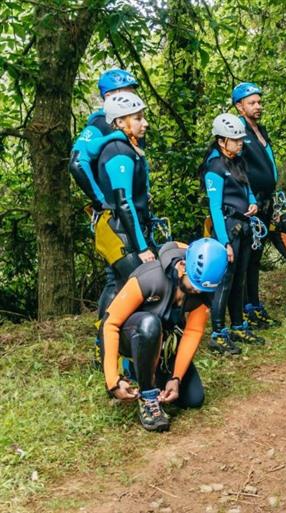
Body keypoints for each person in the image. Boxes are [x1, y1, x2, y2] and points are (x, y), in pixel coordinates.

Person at [99, 239, 228, 432]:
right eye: (194, 284)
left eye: (203, 288)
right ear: (183, 267)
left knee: (194, 398)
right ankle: (148, 396)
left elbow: (192, 332)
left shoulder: (202, 293)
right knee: (150, 324)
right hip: (133, 335)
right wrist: (112, 379)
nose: (197, 291)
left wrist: (175, 378)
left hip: (164, 344)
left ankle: (145, 373)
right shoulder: (151, 277)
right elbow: (110, 323)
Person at [69, 68, 141, 318]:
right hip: (115, 214)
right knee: (119, 277)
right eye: (128, 91)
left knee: (119, 278)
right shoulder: (100, 122)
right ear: (110, 95)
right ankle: (107, 336)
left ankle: (115, 335)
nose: (133, 96)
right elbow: (77, 162)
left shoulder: (125, 123)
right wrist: (101, 200)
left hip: (126, 209)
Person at [199, 113, 263, 355]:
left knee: (240, 278)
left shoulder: (237, 161)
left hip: (244, 225)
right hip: (227, 228)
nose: (240, 143)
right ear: (221, 141)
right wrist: (224, 242)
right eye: (235, 140)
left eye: (240, 139)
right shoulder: (214, 168)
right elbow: (214, 207)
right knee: (225, 281)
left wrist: (254, 202)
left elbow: (247, 187)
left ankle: (238, 325)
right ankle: (218, 332)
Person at [232, 83, 281, 329]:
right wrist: (249, 196)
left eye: (259, 102)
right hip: (251, 204)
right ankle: (244, 309)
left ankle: (254, 305)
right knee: (246, 257)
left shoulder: (259, 129)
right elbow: (236, 168)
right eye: (252, 103)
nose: (258, 106)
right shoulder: (237, 131)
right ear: (239, 106)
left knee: (256, 255)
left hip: (266, 202)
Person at [94, 92, 156, 287]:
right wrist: (142, 247)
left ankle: (107, 319)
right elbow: (124, 203)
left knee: (121, 285)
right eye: (138, 118)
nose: (145, 123)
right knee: (141, 286)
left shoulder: (128, 149)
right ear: (120, 122)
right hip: (121, 231)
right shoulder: (119, 152)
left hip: (125, 228)